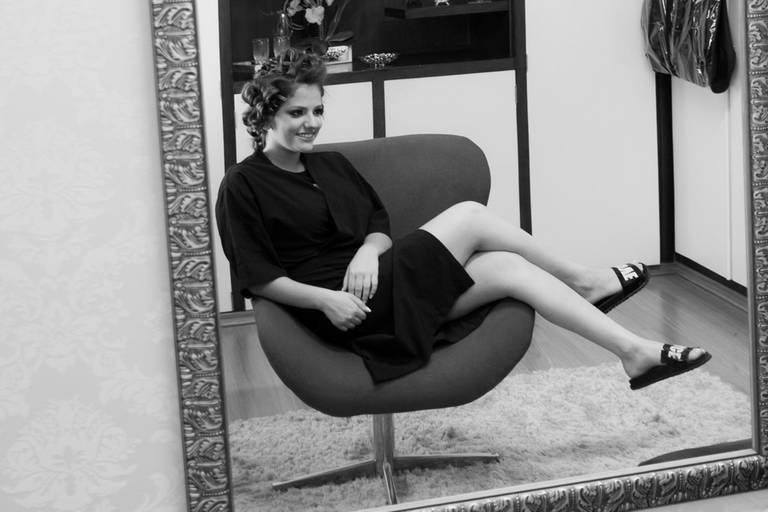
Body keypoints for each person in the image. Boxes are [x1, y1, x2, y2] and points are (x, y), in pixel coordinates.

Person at [215, 52, 711, 387]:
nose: (312, 123)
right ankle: (585, 280)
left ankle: (633, 352)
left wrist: (368, 250)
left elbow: (378, 223)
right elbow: (257, 277)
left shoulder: (331, 165)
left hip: (383, 285)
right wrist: (327, 300)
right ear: (266, 116)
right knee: (471, 216)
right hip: (345, 309)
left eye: (318, 110)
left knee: (508, 268)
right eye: (297, 113)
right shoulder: (243, 184)